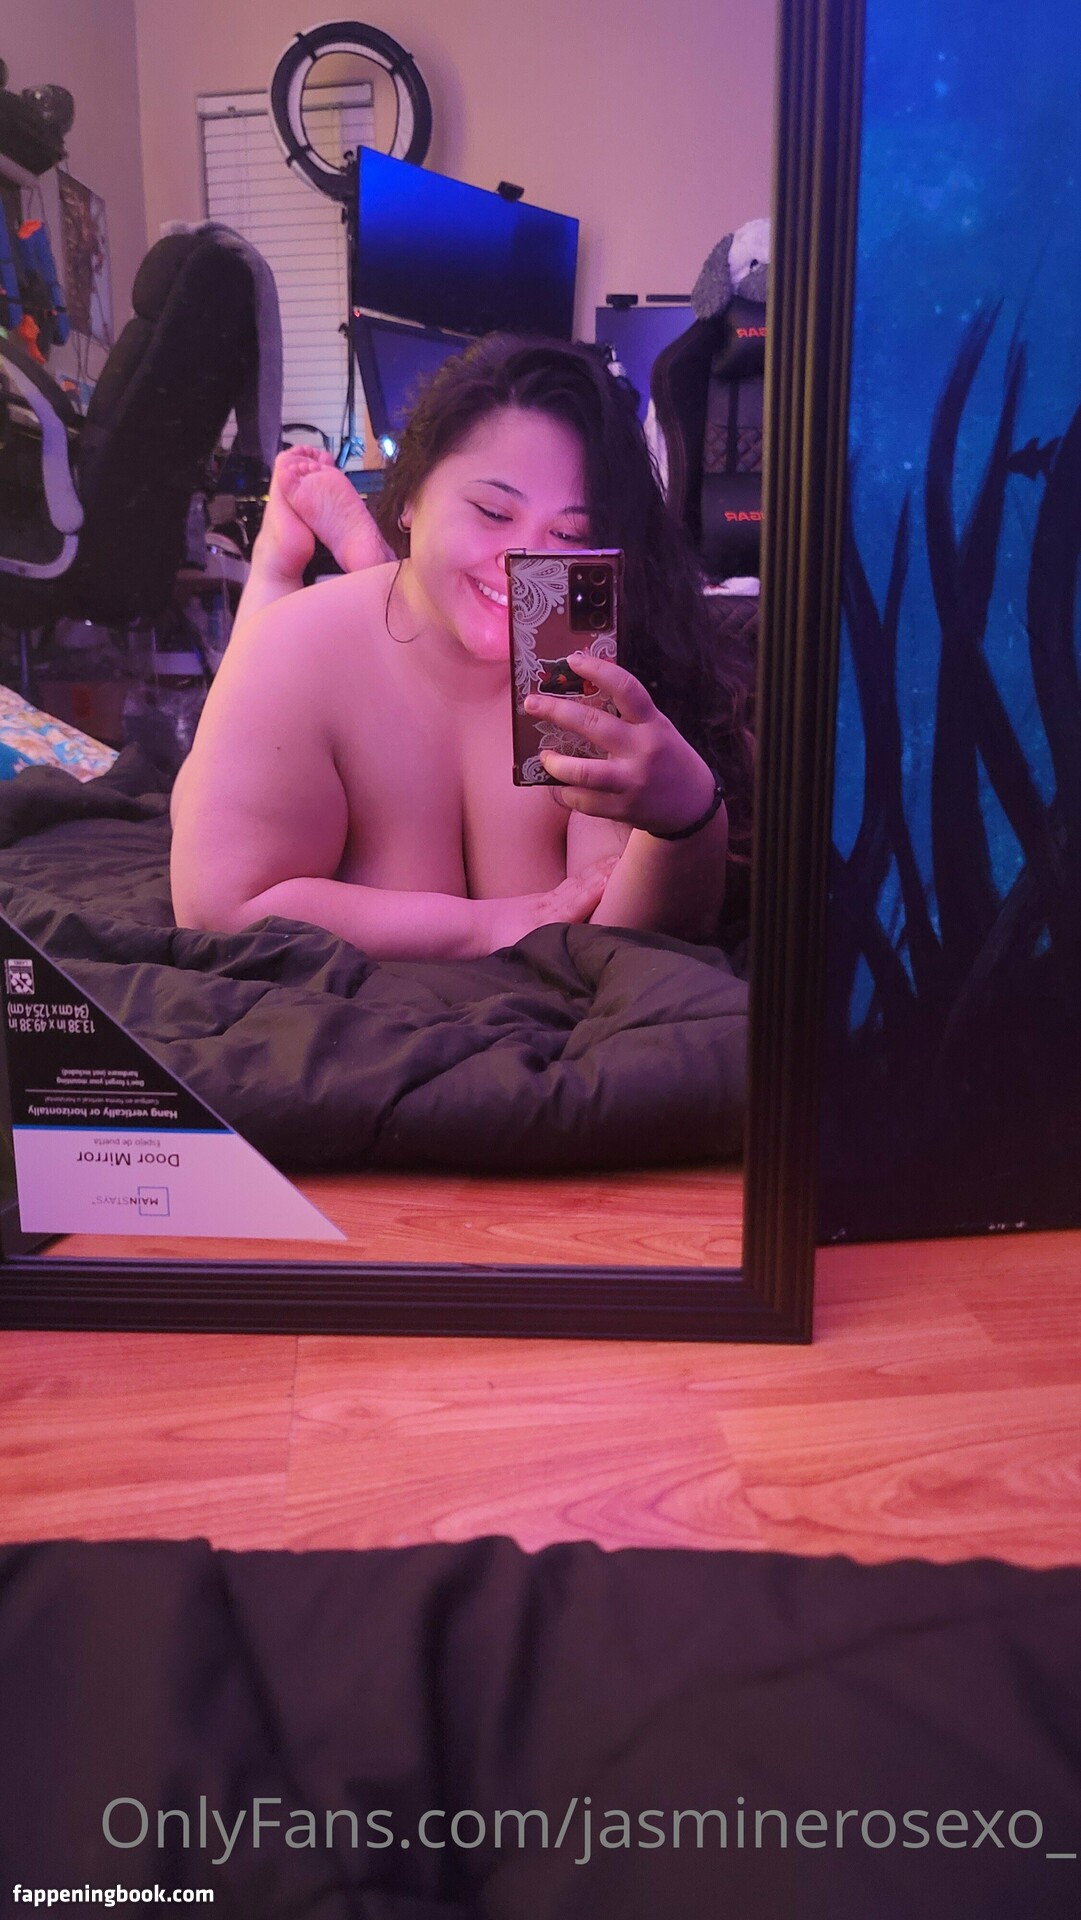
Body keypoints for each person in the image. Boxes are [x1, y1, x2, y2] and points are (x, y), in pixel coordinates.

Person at [170, 335, 753, 960]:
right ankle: (280, 567)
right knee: (224, 731)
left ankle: (352, 559)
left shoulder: (579, 649)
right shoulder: (296, 647)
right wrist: (489, 926)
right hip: (322, 636)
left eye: (569, 534)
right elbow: (218, 905)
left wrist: (688, 819)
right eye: (493, 513)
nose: (524, 560)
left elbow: (611, 932)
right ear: (410, 497)